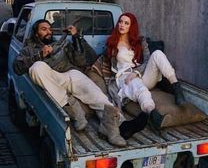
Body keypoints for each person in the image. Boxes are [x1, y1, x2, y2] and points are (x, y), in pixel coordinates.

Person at [13, 19, 146, 147]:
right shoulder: (29, 49)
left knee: (96, 94)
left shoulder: (60, 44)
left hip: (70, 74)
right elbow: (17, 68)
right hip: (51, 79)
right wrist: (39, 55)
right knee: (36, 67)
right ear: (36, 33)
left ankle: (120, 125)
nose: (49, 32)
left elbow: (81, 61)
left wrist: (76, 37)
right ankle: (73, 108)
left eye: (50, 29)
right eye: (44, 29)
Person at [104, 12, 186, 137]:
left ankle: (176, 88)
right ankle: (152, 114)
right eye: (121, 22)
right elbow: (107, 64)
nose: (122, 25)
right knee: (137, 85)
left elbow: (147, 60)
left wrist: (136, 72)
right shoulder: (112, 43)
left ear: (131, 26)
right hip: (124, 78)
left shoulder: (140, 42)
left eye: (126, 23)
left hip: (142, 75)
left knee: (157, 54)